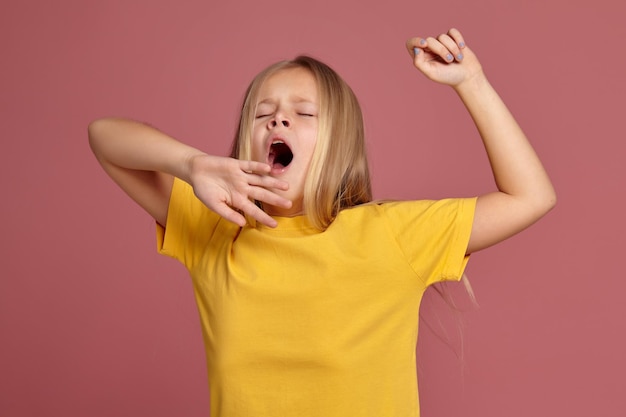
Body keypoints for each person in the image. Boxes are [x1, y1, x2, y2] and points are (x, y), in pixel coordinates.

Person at [89, 28, 555, 417]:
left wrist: (470, 82)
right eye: (263, 113)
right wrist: (191, 164)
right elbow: (104, 137)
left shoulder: (392, 236)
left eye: (303, 114)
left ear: (340, 143)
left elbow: (530, 196)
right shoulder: (215, 228)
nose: (279, 123)